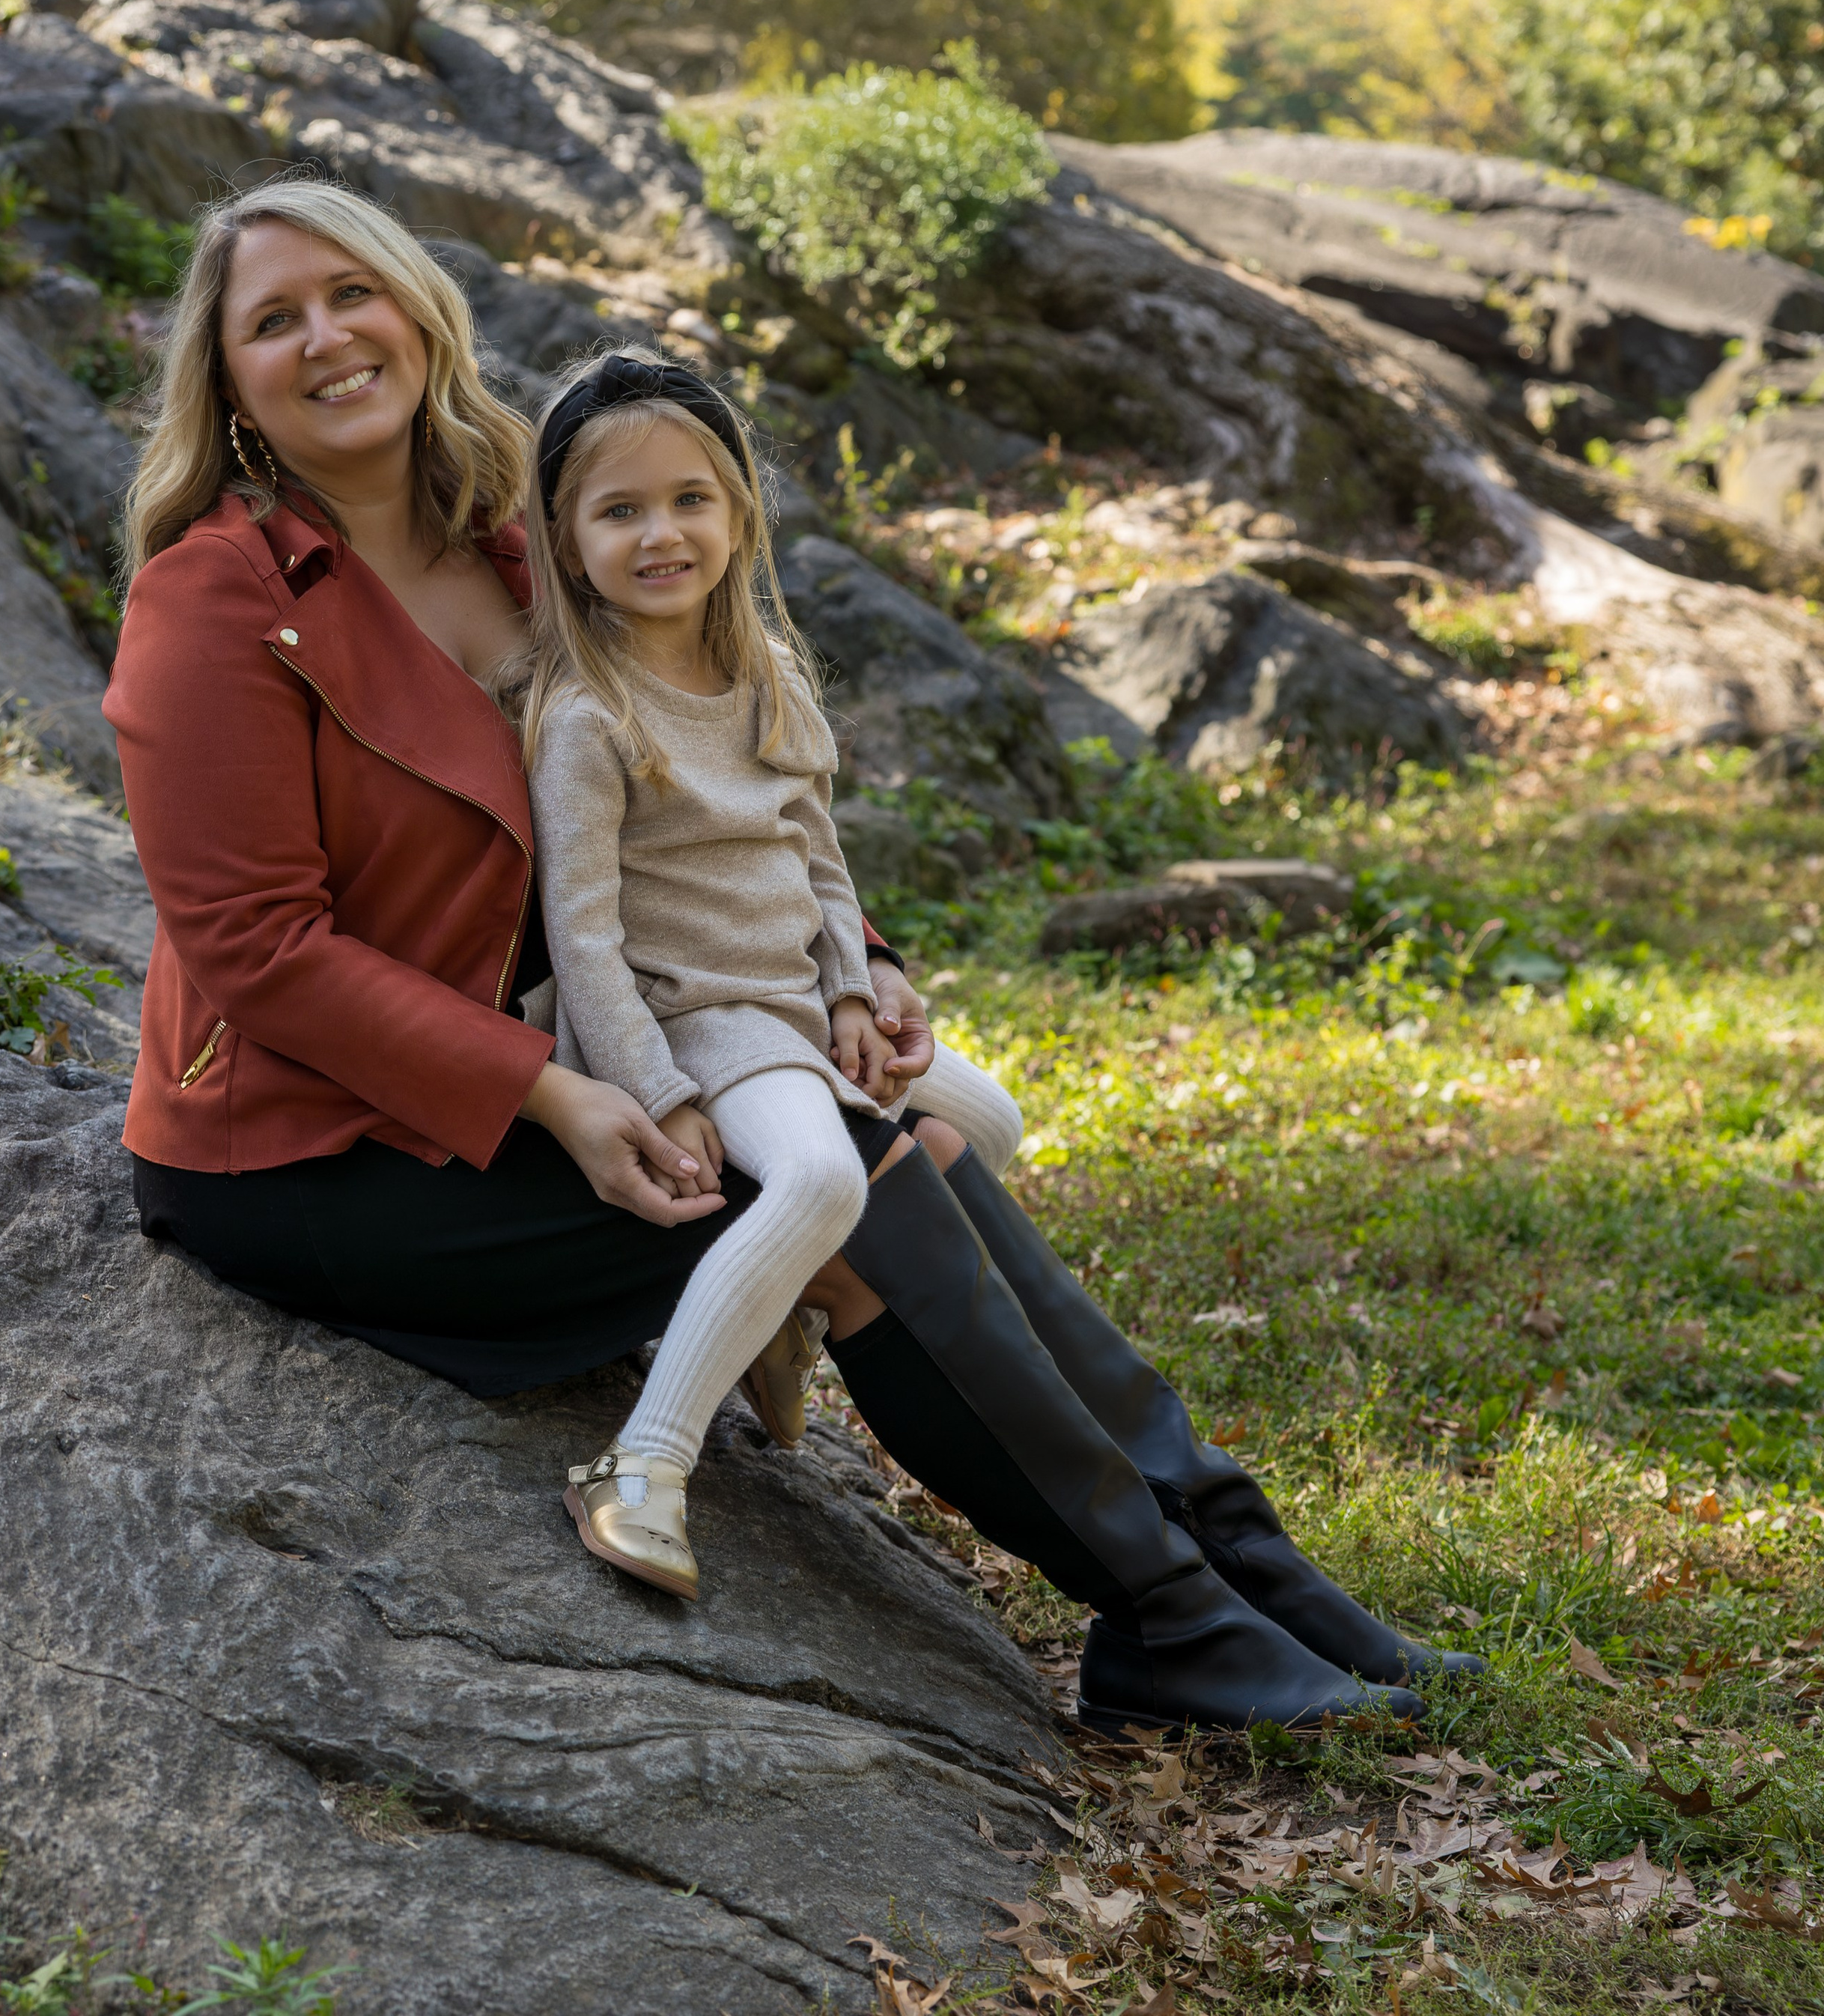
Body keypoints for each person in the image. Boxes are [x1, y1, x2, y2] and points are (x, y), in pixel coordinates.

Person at [109, 169, 1477, 1735]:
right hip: (316, 1150)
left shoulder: (524, 533)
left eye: (352, 291)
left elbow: (714, 768)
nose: (327, 336)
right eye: (273, 320)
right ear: (227, 386)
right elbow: (256, 949)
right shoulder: (208, 605)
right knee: (853, 1206)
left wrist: (861, 967)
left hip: (594, 1034)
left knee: (930, 1149)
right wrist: (550, 1096)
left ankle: (1244, 1574)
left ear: (420, 310)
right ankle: (1171, 1618)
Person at [514, 346, 1022, 1599]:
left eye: (689, 498)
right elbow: (580, 937)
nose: (660, 533)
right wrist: (650, 1084)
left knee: (989, 1123)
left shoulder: (768, 674)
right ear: (567, 541)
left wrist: (854, 990)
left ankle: (779, 1303)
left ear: (740, 512)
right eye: (618, 510)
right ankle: (643, 1466)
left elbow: (817, 856)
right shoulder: (590, 720)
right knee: (814, 1174)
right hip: (698, 1018)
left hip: (797, 1006)